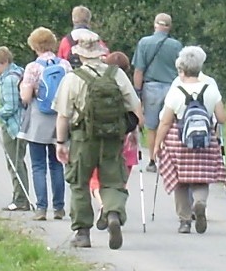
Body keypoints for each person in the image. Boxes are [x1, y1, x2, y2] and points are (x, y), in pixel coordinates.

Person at [54, 32, 143, 250]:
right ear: (100, 52)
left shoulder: (73, 78)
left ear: (80, 55)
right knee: (113, 180)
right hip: (113, 138)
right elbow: (134, 105)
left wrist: (61, 142)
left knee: (79, 183)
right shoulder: (117, 74)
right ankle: (112, 213)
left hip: (83, 139)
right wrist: (134, 132)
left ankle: (83, 233)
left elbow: (63, 115)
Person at [152, 46, 226, 234]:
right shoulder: (211, 89)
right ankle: (200, 203)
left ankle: (185, 221)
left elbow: (165, 122)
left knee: (180, 182)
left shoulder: (176, 91)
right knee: (201, 179)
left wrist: (157, 145)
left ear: (181, 69)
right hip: (205, 140)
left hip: (179, 142)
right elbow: (221, 118)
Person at [19, 27, 72, 221]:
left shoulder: (33, 67)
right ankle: (59, 208)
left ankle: (41, 208)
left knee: (38, 165)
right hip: (60, 119)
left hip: (39, 120)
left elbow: (25, 97)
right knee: (57, 165)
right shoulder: (65, 65)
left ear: (34, 45)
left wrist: (28, 90)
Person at [89, 51, 140, 220]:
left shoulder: (97, 85)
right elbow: (139, 118)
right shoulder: (128, 88)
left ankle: (103, 205)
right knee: (120, 180)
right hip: (127, 141)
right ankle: (114, 208)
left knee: (96, 178)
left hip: (102, 137)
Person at [132, 12, 183, 172]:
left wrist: (137, 93)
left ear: (155, 25)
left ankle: (153, 161)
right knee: (169, 125)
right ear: (169, 27)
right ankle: (168, 161)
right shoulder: (176, 46)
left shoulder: (144, 43)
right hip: (172, 88)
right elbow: (182, 70)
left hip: (151, 88)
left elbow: (139, 70)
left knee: (152, 126)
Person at [0, 46, 30, 211]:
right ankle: (21, 197)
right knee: (17, 162)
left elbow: (11, 106)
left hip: (14, 127)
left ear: (4, 62)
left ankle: (21, 200)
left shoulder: (10, 79)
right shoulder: (18, 73)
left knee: (14, 163)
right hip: (20, 124)